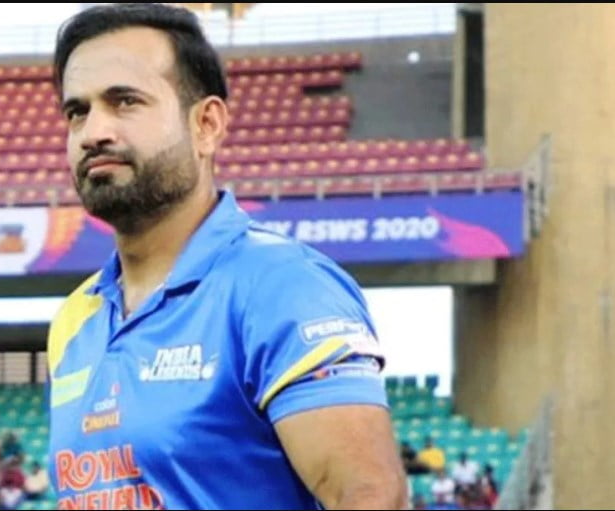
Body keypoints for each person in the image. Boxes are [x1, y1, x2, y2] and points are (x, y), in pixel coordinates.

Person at [45, 3, 406, 510]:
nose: (93, 132)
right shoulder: (73, 321)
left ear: (207, 125)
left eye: (125, 101)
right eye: (77, 112)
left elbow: (369, 495)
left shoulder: (282, 286)